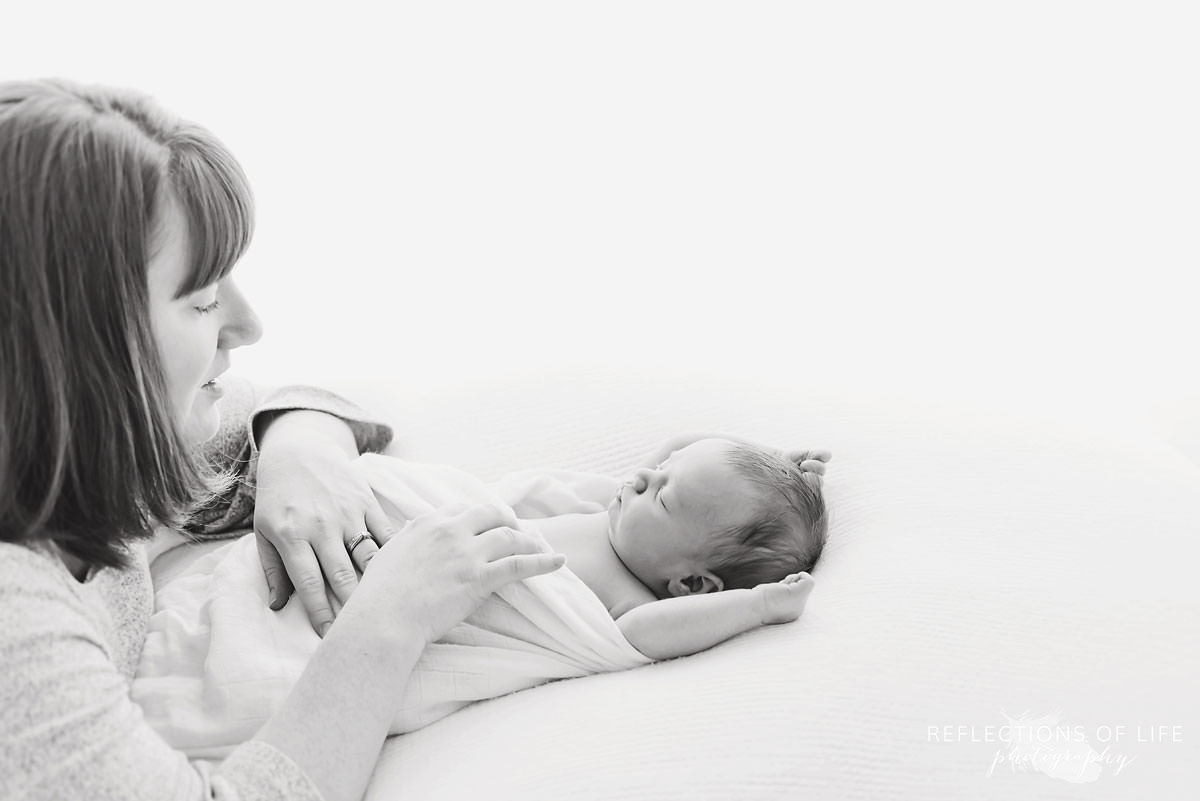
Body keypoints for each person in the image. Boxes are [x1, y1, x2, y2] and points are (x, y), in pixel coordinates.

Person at [0, 79, 567, 801]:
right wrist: (390, 618)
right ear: (77, 347)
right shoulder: (15, 622)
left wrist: (299, 451)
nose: (248, 324)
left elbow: (284, 402)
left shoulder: (79, 456)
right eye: (203, 298)